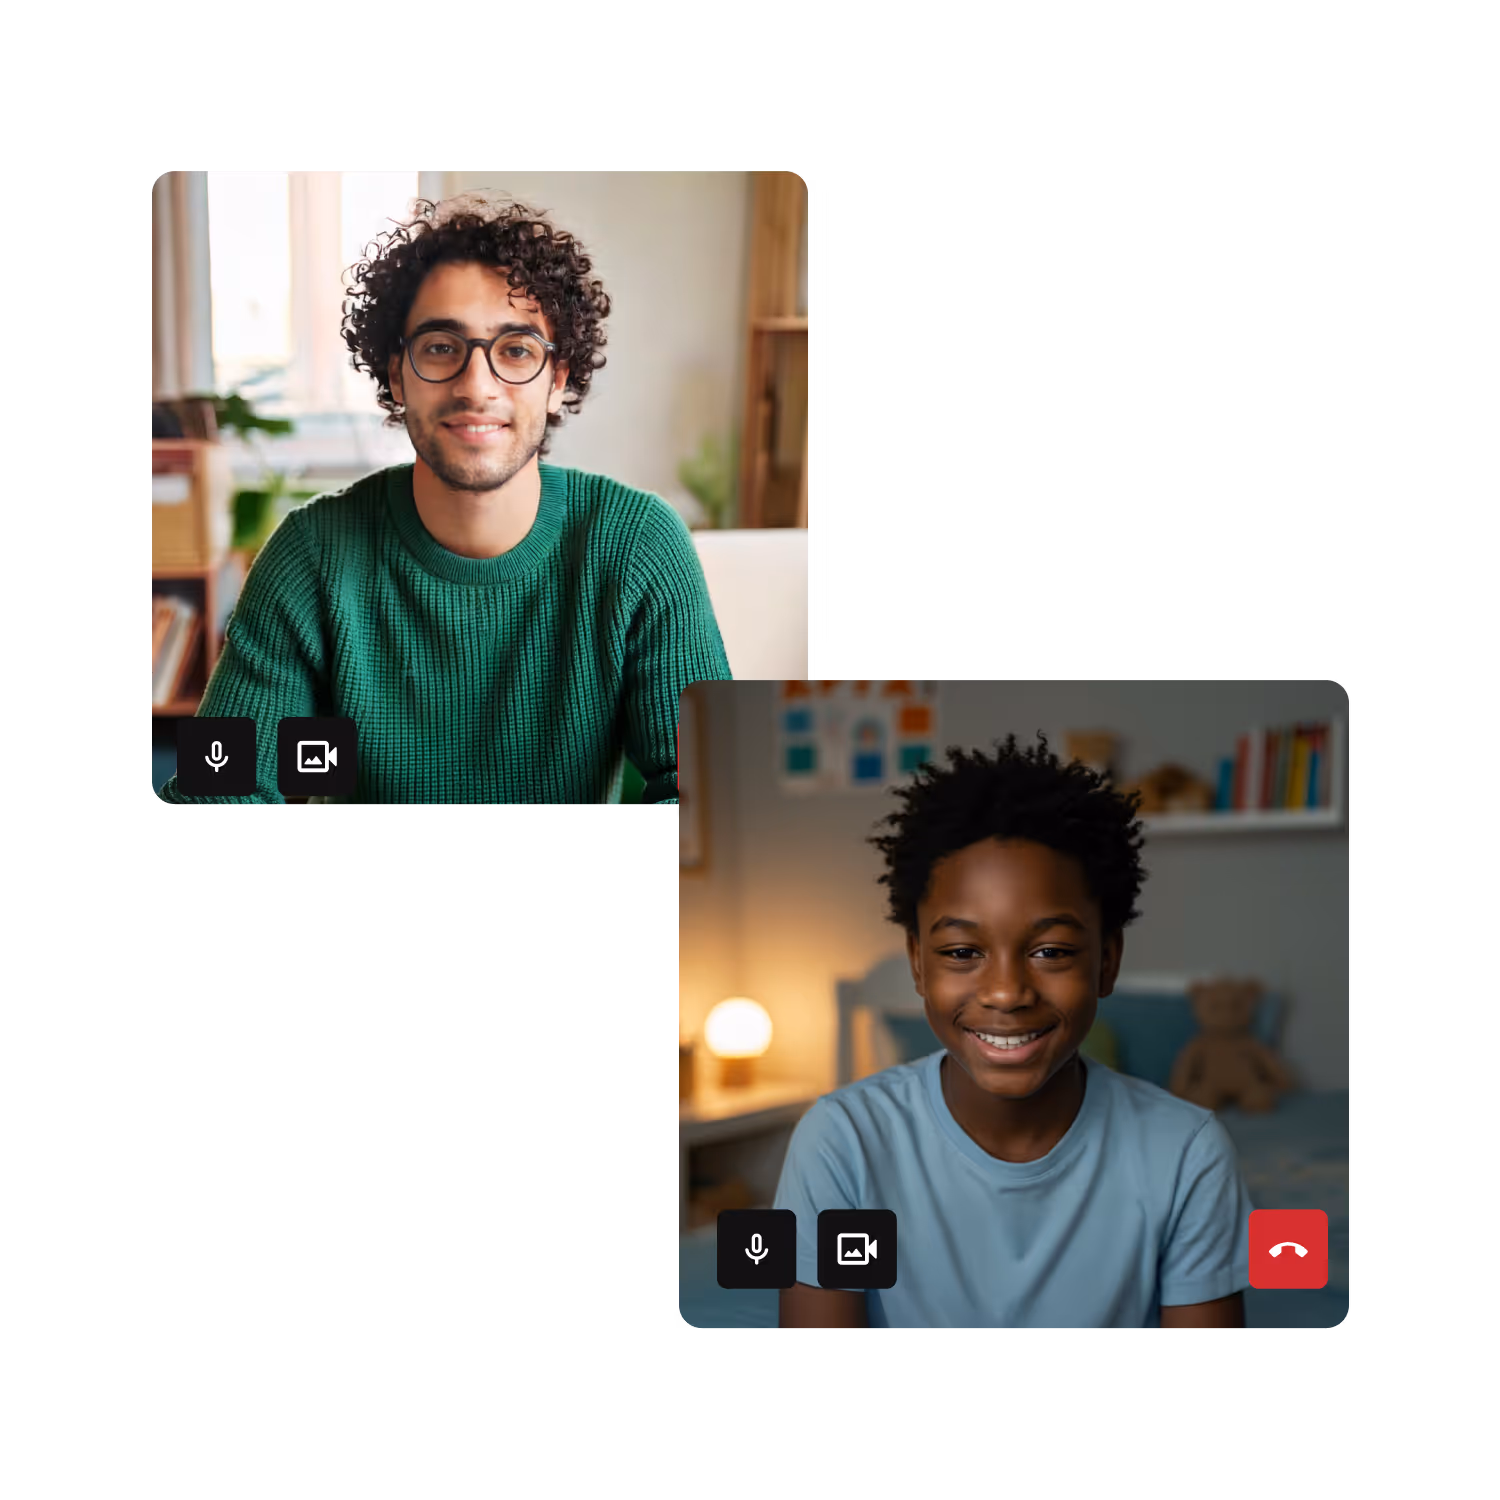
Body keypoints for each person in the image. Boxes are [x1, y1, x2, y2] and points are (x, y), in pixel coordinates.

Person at [157, 191, 730, 805]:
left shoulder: (638, 545)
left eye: (515, 350)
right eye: (440, 347)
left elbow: (714, 800)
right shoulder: (312, 556)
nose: (476, 386)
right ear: (396, 374)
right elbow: (214, 791)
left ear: (558, 381)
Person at [775, 730, 1251, 1327]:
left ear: (1107, 961)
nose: (1006, 992)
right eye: (961, 952)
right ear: (918, 962)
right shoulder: (845, 1142)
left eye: (1051, 952)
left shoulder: (1185, 1154)